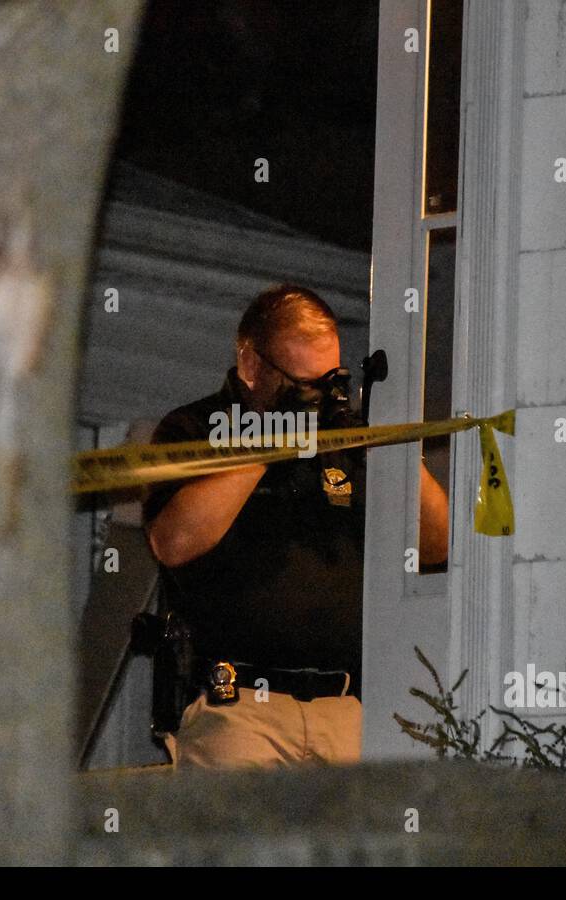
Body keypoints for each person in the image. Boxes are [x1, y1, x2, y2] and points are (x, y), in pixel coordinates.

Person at [142, 284, 450, 770]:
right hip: (239, 710)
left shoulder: (342, 435)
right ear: (251, 365)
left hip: (346, 709)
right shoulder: (197, 428)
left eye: (330, 380)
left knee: (352, 848)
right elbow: (173, 542)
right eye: (301, 383)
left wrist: (392, 444)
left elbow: (438, 546)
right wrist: (271, 441)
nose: (319, 397)